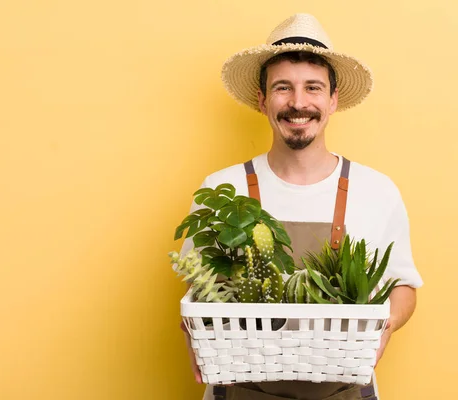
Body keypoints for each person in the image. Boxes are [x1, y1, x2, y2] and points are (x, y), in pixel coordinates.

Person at [179, 13, 424, 400]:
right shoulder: (221, 189)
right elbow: (198, 288)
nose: (298, 103)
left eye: (313, 87)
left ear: (333, 99)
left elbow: (404, 285)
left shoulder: (377, 190)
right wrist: (194, 331)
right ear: (262, 100)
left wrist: (384, 325)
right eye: (282, 88)